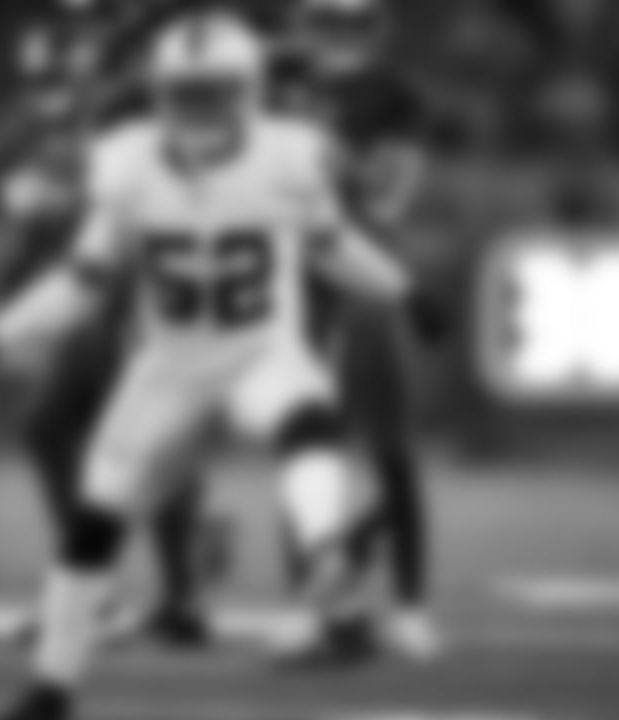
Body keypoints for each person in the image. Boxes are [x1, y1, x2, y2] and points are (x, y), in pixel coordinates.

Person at [0, 12, 441, 720]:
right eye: (184, 93)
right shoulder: (126, 161)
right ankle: (53, 685)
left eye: (215, 93)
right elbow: (83, 279)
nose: (198, 109)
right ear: (159, 92)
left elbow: (334, 247)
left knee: (308, 417)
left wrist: (404, 290)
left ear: (250, 91)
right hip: (168, 364)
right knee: (96, 519)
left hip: (262, 347)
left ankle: (325, 543)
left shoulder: (292, 154)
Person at [0, 8, 222, 645]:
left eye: (88, 31)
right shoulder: (101, 101)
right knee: (52, 427)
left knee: (145, 448)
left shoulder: (146, 97)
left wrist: (52, 195)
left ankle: (170, 594)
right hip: (108, 291)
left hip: (156, 291)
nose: (77, 47)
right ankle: (127, 590)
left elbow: (140, 190)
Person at [273, 0, 443, 659]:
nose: (335, 35)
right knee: (304, 447)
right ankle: (311, 604)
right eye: (325, 20)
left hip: (364, 273)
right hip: (292, 281)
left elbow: (385, 195)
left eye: (347, 22)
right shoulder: (274, 84)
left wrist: (322, 155)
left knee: (389, 446)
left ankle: (409, 602)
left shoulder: (394, 96)